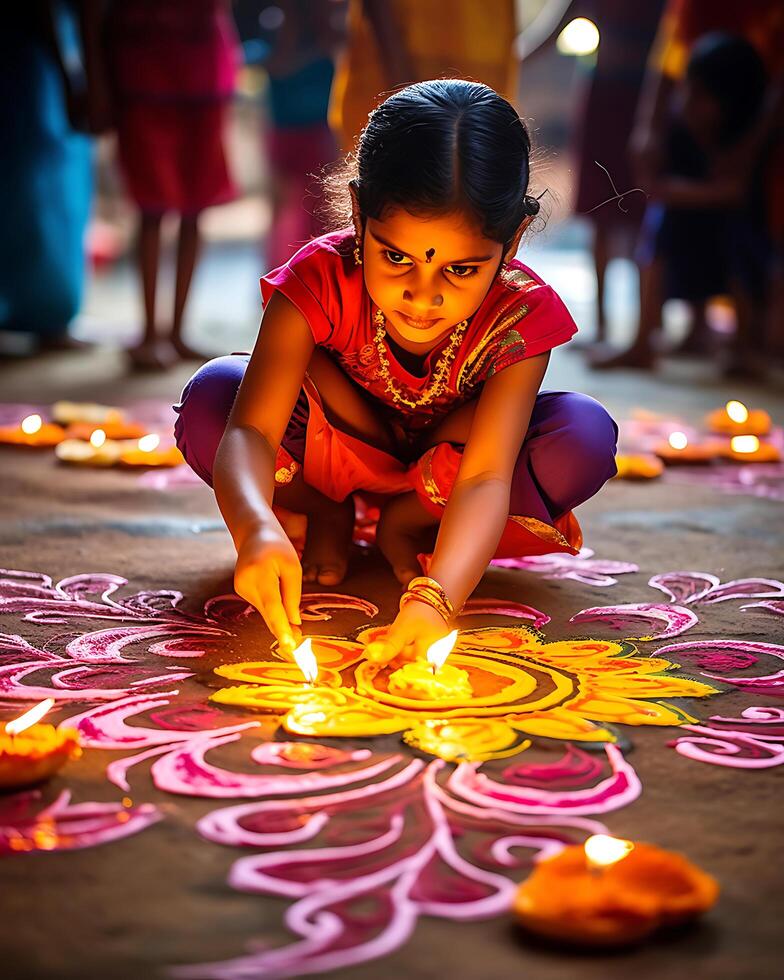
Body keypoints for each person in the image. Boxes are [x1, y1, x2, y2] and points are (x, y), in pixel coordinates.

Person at [173, 80, 618, 665]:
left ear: (510, 241)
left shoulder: (520, 314)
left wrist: (437, 602)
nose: (422, 296)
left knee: (580, 437)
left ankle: (405, 524)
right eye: (396, 257)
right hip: (335, 446)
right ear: (359, 214)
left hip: (450, 472)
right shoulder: (318, 280)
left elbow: (486, 477)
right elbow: (252, 432)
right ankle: (322, 509)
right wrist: (254, 527)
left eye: (460, 269)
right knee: (213, 401)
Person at [103, 0, 239, 369]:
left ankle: (176, 332)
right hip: (144, 70)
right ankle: (150, 333)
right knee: (152, 207)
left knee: (195, 208)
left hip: (205, 71)